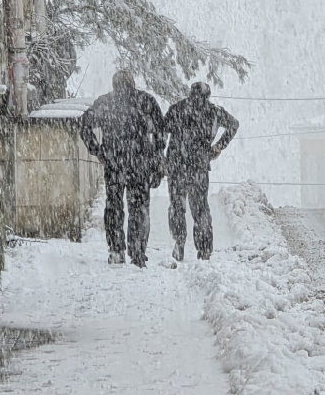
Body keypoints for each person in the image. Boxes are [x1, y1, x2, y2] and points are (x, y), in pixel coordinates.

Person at [79, 70, 166, 267]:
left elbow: (84, 125)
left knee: (114, 206)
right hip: (140, 163)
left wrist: (97, 150)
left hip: (114, 162)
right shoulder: (146, 101)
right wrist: (156, 155)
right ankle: (137, 251)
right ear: (132, 83)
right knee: (139, 207)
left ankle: (116, 249)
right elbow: (160, 131)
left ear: (114, 84)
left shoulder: (106, 102)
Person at [164, 82, 238, 261]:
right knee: (200, 209)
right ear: (208, 95)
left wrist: (161, 156)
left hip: (176, 165)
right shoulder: (214, 112)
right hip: (199, 166)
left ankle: (179, 242)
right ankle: (204, 250)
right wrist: (218, 146)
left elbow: (162, 130)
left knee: (177, 206)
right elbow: (234, 124)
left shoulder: (177, 109)